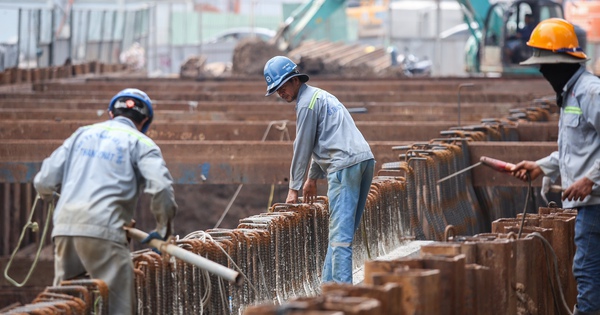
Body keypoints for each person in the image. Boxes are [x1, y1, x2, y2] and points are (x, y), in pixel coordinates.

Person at [33, 88, 178, 315]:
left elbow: (44, 181)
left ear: (111, 113)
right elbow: (161, 188)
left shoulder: (81, 134)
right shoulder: (143, 143)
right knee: (117, 307)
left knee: (67, 303)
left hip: (64, 229)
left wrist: (48, 196)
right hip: (105, 232)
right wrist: (162, 230)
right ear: (146, 120)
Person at [510, 18, 599, 315]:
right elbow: (576, 151)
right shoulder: (571, 94)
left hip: (595, 203)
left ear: (561, 63)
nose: (542, 71)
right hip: (587, 205)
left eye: (545, 65)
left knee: (587, 275)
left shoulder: (590, 92)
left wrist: (592, 180)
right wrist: (541, 166)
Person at [263, 56, 375, 284]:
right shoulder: (321, 96)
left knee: (340, 240)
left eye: (283, 86)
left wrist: (294, 189)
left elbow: (302, 146)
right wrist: (312, 178)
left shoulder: (306, 104)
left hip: (344, 167)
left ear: (295, 81)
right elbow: (326, 141)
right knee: (340, 237)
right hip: (364, 161)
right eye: (276, 90)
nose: (281, 93)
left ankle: (342, 300)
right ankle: (328, 288)